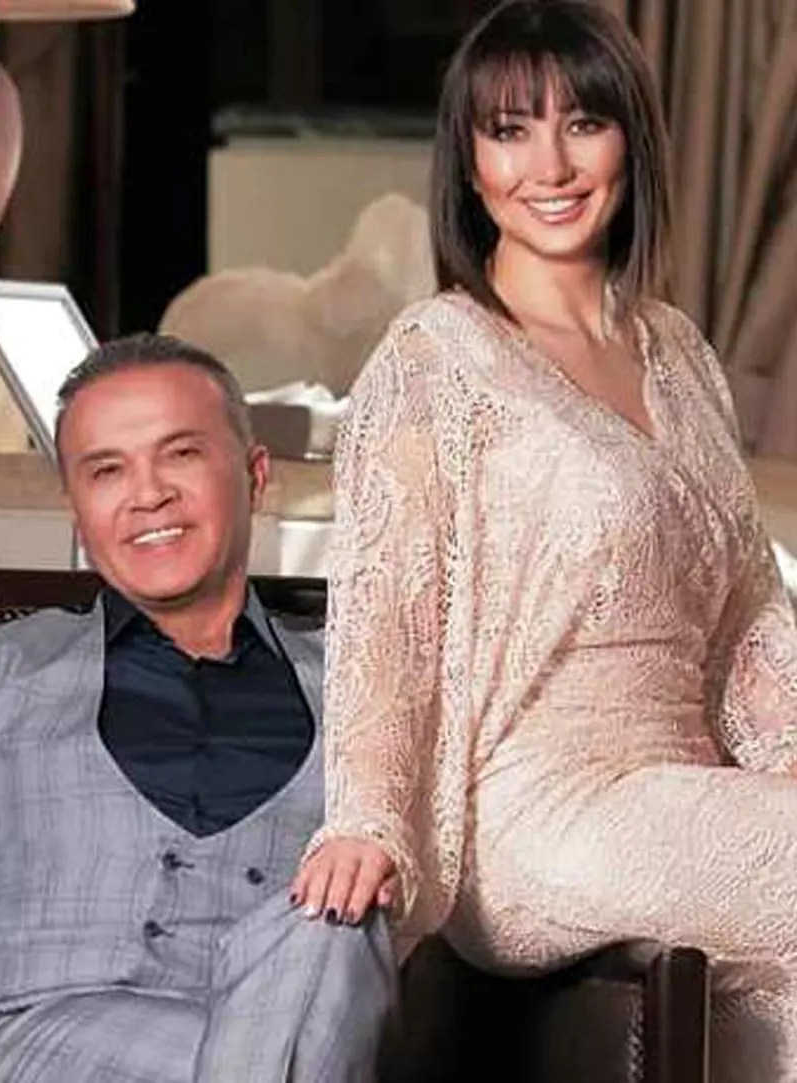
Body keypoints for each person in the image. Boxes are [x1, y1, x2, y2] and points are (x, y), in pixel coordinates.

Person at [291, 1, 797, 1079]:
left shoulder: (677, 351)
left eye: (584, 124)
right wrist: (368, 820)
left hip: (684, 796)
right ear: (469, 162)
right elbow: (387, 618)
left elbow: (752, 615)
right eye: (511, 130)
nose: (551, 166)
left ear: (631, 142)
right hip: (533, 819)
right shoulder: (434, 357)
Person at [0, 333, 396, 1083]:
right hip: (18, 1048)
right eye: (107, 470)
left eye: (181, 454)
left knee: (334, 925)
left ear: (255, 476)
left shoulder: (366, 690)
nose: (148, 494)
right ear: (77, 509)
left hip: (265, 1036)